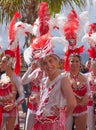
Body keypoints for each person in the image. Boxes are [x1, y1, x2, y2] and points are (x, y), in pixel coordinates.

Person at [23, 33, 77, 130]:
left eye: (51, 61)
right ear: (42, 67)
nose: (48, 65)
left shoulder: (62, 79)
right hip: (40, 123)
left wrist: (62, 116)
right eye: (44, 63)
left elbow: (72, 103)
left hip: (54, 125)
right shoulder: (43, 81)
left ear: (57, 62)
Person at [0, 49, 24, 130]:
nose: (0, 63)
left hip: (11, 111)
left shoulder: (16, 77)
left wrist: (13, 105)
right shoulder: (2, 76)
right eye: (1, 61)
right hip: (1, 109)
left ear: (10, 63)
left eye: (3, 62)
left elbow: (22, 96)